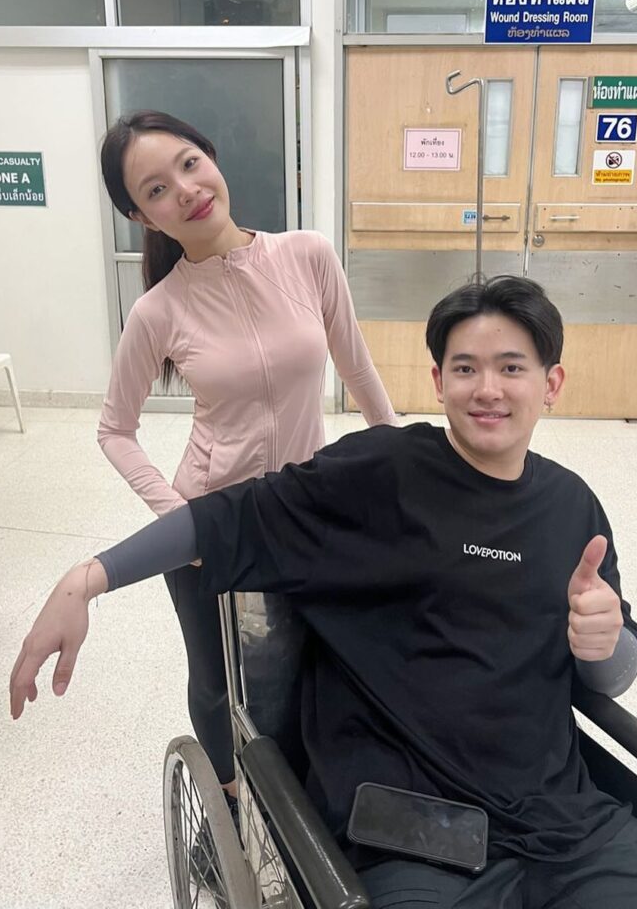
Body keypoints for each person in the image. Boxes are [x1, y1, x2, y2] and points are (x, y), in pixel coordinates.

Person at [11, 276, 637, 909]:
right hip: (413, 832)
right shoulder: (380, 473)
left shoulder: (572, 506)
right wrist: (88, 578)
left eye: (512, 368)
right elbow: (224, 519)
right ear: (438, 381)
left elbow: (611, 672)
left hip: (566, 823)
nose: (488, 389)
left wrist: (606, 644)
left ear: (551, 384)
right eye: (466, 368)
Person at [94, 110, 396, 799]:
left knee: (308, 659)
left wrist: (402, 459)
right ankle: (232, 803)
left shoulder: (307, 254)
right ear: (140, 216)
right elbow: (114, 430)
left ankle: (302, 797)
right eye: (156, 190)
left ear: (211, 156)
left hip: (305, 509)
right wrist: (181, 521)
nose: (186, 190)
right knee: (216, 678)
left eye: (189, 163)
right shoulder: (157, 311)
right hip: (212, 519)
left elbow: (357, 368)